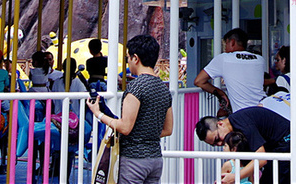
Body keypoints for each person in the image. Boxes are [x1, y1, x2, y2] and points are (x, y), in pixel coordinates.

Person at [89, 34, 174, 184]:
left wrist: (99, 114)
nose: (128, 62)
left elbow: (125, 127)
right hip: (155, 159)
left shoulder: (136, 87)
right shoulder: (163, 88)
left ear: (136, 58)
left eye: (128, 57)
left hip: (133, 159)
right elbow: (168, 129)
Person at [196, 106, 292, 184]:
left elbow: (262, 159)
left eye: (217, 139)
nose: (220, 143)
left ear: (220, 124)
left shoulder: (243, 124)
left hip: (288, 140)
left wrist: (236, 177)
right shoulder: (237, 127)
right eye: (215, 144)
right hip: (278, 145)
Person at [195, 27, 266, 115]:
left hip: (244, 115)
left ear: (232, 42)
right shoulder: (260, 60)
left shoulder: (224, 58)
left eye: (226, 44)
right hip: (264, 110)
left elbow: (199, 81)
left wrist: (220, 93)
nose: (225, 49)